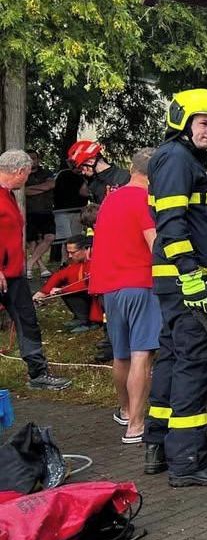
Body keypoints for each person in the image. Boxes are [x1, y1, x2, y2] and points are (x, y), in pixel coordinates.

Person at [144, 88, 207, 487]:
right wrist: (191, 274)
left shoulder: (180, 159)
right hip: (190, 281)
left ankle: (158, 445)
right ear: (182, 120)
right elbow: (172, 223)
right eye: (203, 122)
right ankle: (189, 461)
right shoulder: (178, 159)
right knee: (194, 365)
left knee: (172, 358)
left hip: (176, 282)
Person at [89, 149, 159, 444]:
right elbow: (154, 243)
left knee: (121, 354)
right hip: (141, 283)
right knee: (142, 352)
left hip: (110, 287)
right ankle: (136, 424)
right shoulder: (145, 200)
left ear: (131, 168)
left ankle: (125, 409)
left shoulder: (110, 199)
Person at [0, 150, 72, 390]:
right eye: (28, 174)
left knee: (28, 321)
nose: (28, 179)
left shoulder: (7, 194)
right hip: (2, 272)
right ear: (19, 172)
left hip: (13, 274)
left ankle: (38, 373)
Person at [32, 236, 101, 333]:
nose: (69, 256)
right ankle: (81, 317)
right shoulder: (80, 262)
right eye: (68, 252)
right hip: (89, 293)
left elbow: (87, 285)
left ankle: (92, 322)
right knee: (62, 288)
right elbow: (60, 275)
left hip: (99, 299)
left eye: (73, 252)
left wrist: (62, 290)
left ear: (86, 249)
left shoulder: (97, 261)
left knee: (67, 291)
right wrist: (42, 292)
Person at [68, 140, 131, 204]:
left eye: (82, 168)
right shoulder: (93, 183)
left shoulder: (124, 177)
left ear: (90, 162)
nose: (83, 172)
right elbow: (82, 192)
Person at [24, 152, 55, 279]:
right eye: (29, 159)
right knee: (32, 242)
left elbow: (51, 185)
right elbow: (24, 191)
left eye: (34, 158)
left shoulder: (46, 173)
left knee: (50, 237)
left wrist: (32, 189)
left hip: (46, 211)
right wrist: (43, 188)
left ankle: (29, 264)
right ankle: (41, 268)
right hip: (29, 212)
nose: (32, 161)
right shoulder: (23, 173)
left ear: (38, 159)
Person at [52, 158, 88, 263]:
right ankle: (64, 262)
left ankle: (74, 262)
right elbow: (84, 192)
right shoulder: (63, 175)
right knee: (66, 239)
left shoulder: (84, 176)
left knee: (75, 238)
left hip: (77, 211)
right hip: (62, 211)